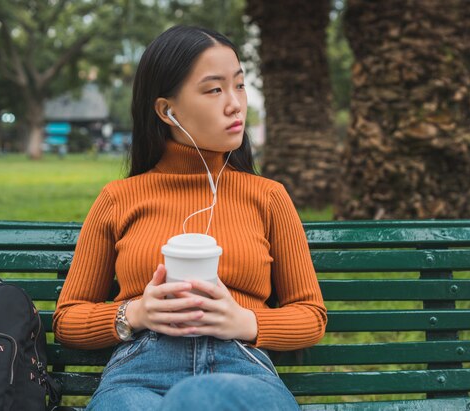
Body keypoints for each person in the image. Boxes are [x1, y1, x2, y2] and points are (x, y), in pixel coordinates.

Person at [53, 25, 327, 411]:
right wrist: (136, 312)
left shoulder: (268, 197)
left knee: (199, 400)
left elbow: (310, 315)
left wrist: (243, 322)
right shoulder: (119, 199)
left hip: (242, 371)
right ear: (168, 110)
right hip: (138, 375)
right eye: (214, 89)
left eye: (239, 85)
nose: (235, 104)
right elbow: (68, 318)